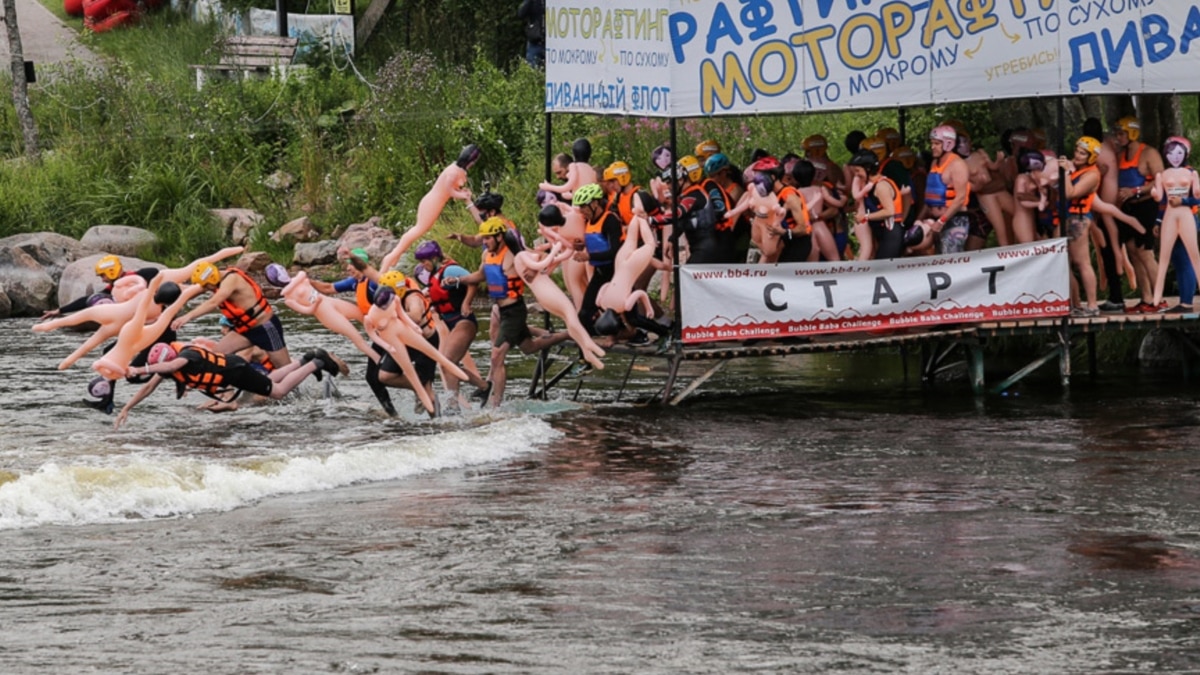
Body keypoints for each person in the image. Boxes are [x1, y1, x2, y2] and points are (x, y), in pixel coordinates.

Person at [445, 218, 572, 407]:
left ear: (499, 237)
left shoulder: (514, 254)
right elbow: (480, 276)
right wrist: (458, 280)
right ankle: (569, 334)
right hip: (502, 311)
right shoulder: (487, 255)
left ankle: (496, 405)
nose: (485, 242)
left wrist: (534, 272)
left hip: (515, 311)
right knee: (529, 347)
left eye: (488, 239)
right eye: (484, 239)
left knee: (497, 356)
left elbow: (538, 258)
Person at [113, 342, 346, 430]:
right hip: (233, 373)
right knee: (272, 378)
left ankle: (317, 362)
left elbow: (171, 365)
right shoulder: (172, 367)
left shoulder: (186, 356)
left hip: (236, 372)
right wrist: (127, 408)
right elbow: (147, 388)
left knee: (278, 391)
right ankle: (305, 359)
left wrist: (140, 370)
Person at [413, 240, 489, 409]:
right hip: (451, 322)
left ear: (434, 258)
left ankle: (452, 406)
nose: (423, 265)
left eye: (424, 261)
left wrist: (467, 303)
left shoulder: (450, 269)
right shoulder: (434, 276)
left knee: (448, 362)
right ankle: (484, 387)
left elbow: (473, 281)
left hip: (464, 321)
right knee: (448, 363)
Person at [173, 261, 291, 369]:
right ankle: (227, 387)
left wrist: (187, 317)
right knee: (216, 355)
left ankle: (302, 386)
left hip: (265, 327)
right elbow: (192, 291)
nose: (205, 289)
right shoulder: (215, 281)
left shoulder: (231, 280)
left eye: (206, 286)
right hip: (246, 331)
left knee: (285, 367)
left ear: (212, 278)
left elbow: (213, 302)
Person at [384, 144, 480, 267]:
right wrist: (464, 196)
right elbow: (449, 190)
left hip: (435, 202)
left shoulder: (457, 170)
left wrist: (462, 193)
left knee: (417, 231)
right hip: (432, 203)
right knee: (418, 230)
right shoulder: (453, 172)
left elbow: (452, 190)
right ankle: (391, 258)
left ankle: (394, 257)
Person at [1113, 116, 1165, 313]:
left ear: (1132, 133)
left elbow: (1160, 179)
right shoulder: (1120, 155)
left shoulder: (1149, 153)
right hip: (1128, 209)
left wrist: (1136, 191)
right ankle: (1146, 297)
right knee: (1133, 251)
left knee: (1145, 252)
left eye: (1121, 133)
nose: (1118, 137)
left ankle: (1160, 298)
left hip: (1146, 206)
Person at [1149, 136, 1200, 310]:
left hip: (1188, 218)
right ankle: (1184, 300)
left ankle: (1186, 302)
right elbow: (1164, 201)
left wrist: (1183, 203)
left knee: (1186, 259)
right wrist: (1158, 220)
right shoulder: (1167, 174)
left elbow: (1196, 199)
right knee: (1177, 259)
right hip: (1170, 218)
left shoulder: (1190, 173)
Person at [573, 184, 625, 334]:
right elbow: (597, 242)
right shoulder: (588, 221)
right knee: (584, 315)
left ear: (595, 203)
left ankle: (661, 329)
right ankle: (588, 351)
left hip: (614, 273)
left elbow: (614, 252)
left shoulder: (610, 220)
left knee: (630, 317)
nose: (581, 211)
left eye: (584, 206)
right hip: (599, 272)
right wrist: (581, 246)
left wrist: (589, 256)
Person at [1060, 136, 1103, 317]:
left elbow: (1071, 193)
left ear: (1091, 157)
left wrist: (1066, 172)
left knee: (1082, 262)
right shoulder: (1077, 169)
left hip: (1079, 218)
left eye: (1082, 153)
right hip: (1067, 217)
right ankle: (1074, 303)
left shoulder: (1092, 175)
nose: (1077, 155)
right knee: (1063, 262)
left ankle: (1092, 305)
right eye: (1077, 151)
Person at [919, 124, 972, 254]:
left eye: (937, 143)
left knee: (950, 258)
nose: (932, 147)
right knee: (936, 256)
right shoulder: (934, 163)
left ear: (948, 144)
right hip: (935, 220)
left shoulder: (957, 165)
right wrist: (919, 218)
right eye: (932, 143)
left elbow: (960, 198)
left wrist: (942, 221)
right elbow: (931, 194)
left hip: (954, 220)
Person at [847, 149, 905, 260]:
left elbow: (889, 211)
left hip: (891, 232)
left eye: (858, 171)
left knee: (883, 266)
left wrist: (865, 217)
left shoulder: (881, 186)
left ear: (868, 168)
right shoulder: (870, 185)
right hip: (880, 231)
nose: (856, 175)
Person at [517, 0, 545, 68]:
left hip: (552, 43)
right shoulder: (534, 2)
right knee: (531, 70)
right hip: (535, 41)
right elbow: (521, 13)